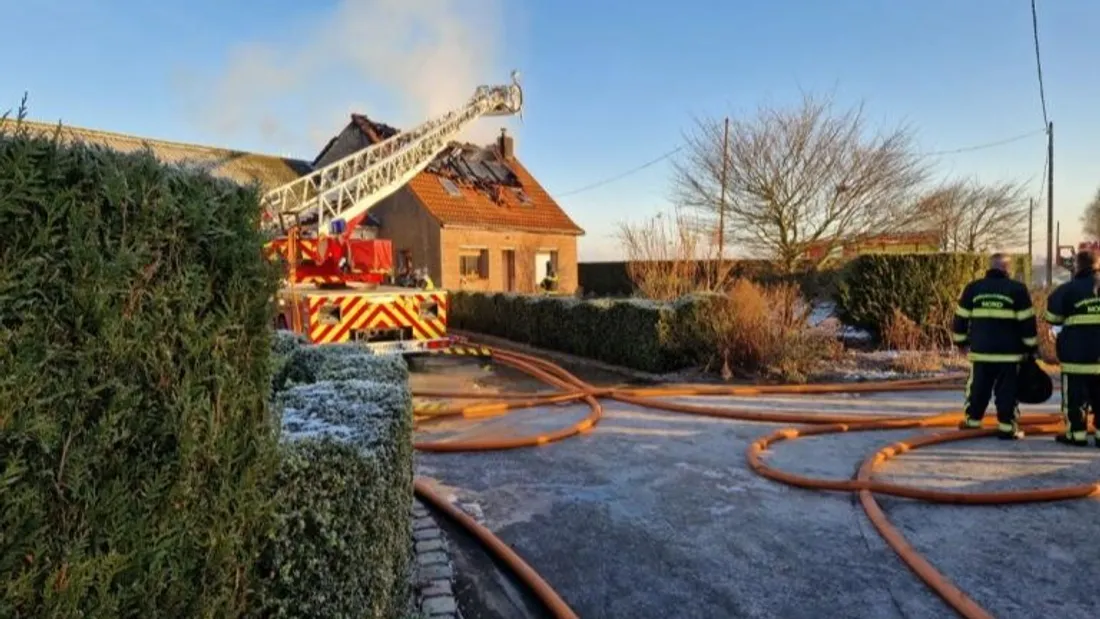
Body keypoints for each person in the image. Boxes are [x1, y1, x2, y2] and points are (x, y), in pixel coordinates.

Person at [951, 253, 1039, 439]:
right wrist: (1031, 348)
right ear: (1007, 268)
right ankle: (1007, 426)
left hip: (981, 352)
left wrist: (961, 342)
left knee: (978, 387)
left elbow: (960, 318)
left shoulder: (974, 288)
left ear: (989, 267)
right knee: (1007, 390)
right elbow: (1027, 323)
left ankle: (972, 421)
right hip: (1009, 355)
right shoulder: (1017, 289)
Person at [1044, 250, 1100, 447]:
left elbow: (1052, 318)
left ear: (1077, 265)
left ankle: (1076, 434)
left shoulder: (1067, 290)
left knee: (1074, 398)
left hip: (1076, 357)